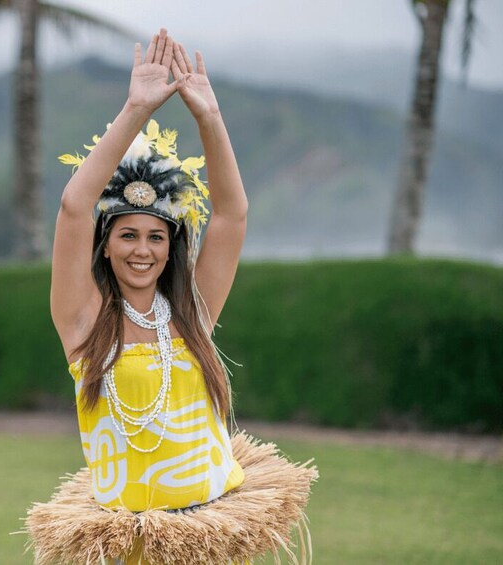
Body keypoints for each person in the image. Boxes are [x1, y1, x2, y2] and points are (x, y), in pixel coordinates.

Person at [26, 30, 316, 564]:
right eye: (128, 235)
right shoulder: (84, 322)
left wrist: (208, 116)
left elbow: (231, 215)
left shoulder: (190, 315)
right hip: (130, 541)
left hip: (210, 533)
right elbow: (73, 208)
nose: (143, 250)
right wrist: (136, 109)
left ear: (171, 246)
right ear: (106, 246)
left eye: (156, 236)